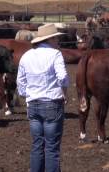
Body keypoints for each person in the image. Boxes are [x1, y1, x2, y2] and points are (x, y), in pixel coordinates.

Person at [16, 23, 69, 172]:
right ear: (50, 40)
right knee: (52, 147)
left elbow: (20, 81)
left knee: (37, 144)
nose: (57, 42)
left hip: (33, 104)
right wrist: (64, 92)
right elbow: (63, 77)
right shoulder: (55, 54)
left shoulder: (26, 56)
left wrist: (26, 94)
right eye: (56, 39)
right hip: (52, 102)